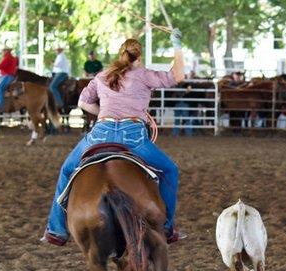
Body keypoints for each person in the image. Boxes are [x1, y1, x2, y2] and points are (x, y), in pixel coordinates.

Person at [42, 29, 186, 246]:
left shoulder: (103, 75)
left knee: (66, 169)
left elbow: (83, 102)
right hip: (133, 136)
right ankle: (166, 228)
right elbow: (178, 76)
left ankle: (56, 230)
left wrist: (103, 112)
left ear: (121, 55)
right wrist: (177, 46)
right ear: (139, 57)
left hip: (101, 133)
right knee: (169, 171)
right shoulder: (144, 74)